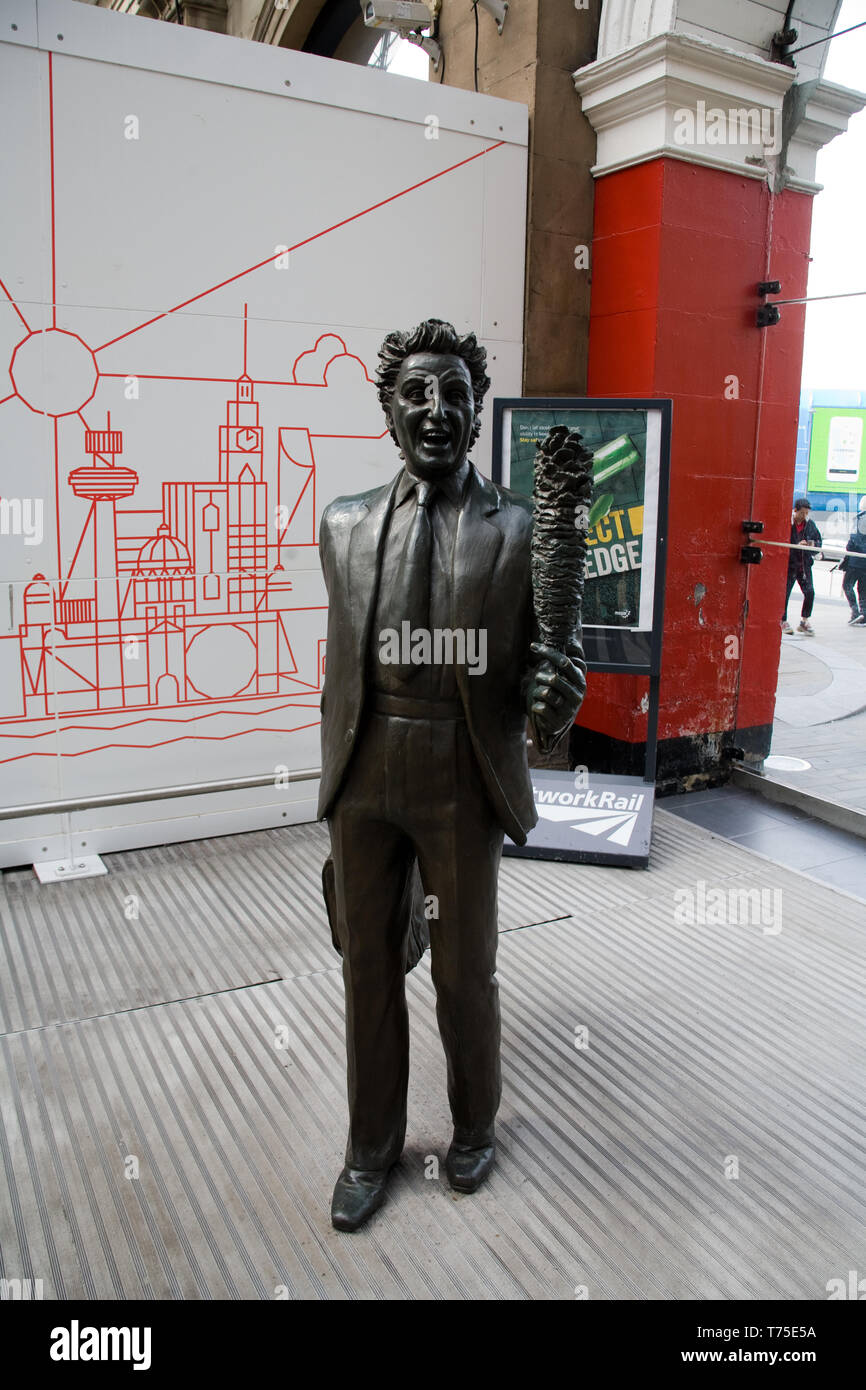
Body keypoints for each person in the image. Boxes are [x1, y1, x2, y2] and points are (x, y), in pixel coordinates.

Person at [317, 318, 585, 1232]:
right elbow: (343, 666)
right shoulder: (343, 524)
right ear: (388, 411)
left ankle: (475, 1124)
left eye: (454, 394)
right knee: (366, 968)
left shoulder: (518, 529)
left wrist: (555, 695)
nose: (436, 411)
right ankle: (370, 1146)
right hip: (364, 776)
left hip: (459, 772)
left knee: (464, 972)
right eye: (416, 394)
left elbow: (544, 674)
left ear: (477, 413)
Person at [782, 498, 822, 635]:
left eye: (806, 513)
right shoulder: (787, 524)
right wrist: (795, 547)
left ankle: (804, 620)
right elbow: (782, 544)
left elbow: (818, 543)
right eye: (802, 513)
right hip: (790, 565)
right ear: (795, 511)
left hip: (804, 565)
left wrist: (810, 545)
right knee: (785, 593)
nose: (804, 516)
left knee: (810, 592)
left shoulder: (810, 525)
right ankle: (782, 620)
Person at [841, 507, 866, 626]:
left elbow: (854, 540)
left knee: (847, 585)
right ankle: (864, 615)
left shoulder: (860, 518)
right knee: (863, 589)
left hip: (856, 560)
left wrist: (848, 551)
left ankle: (855, 612)